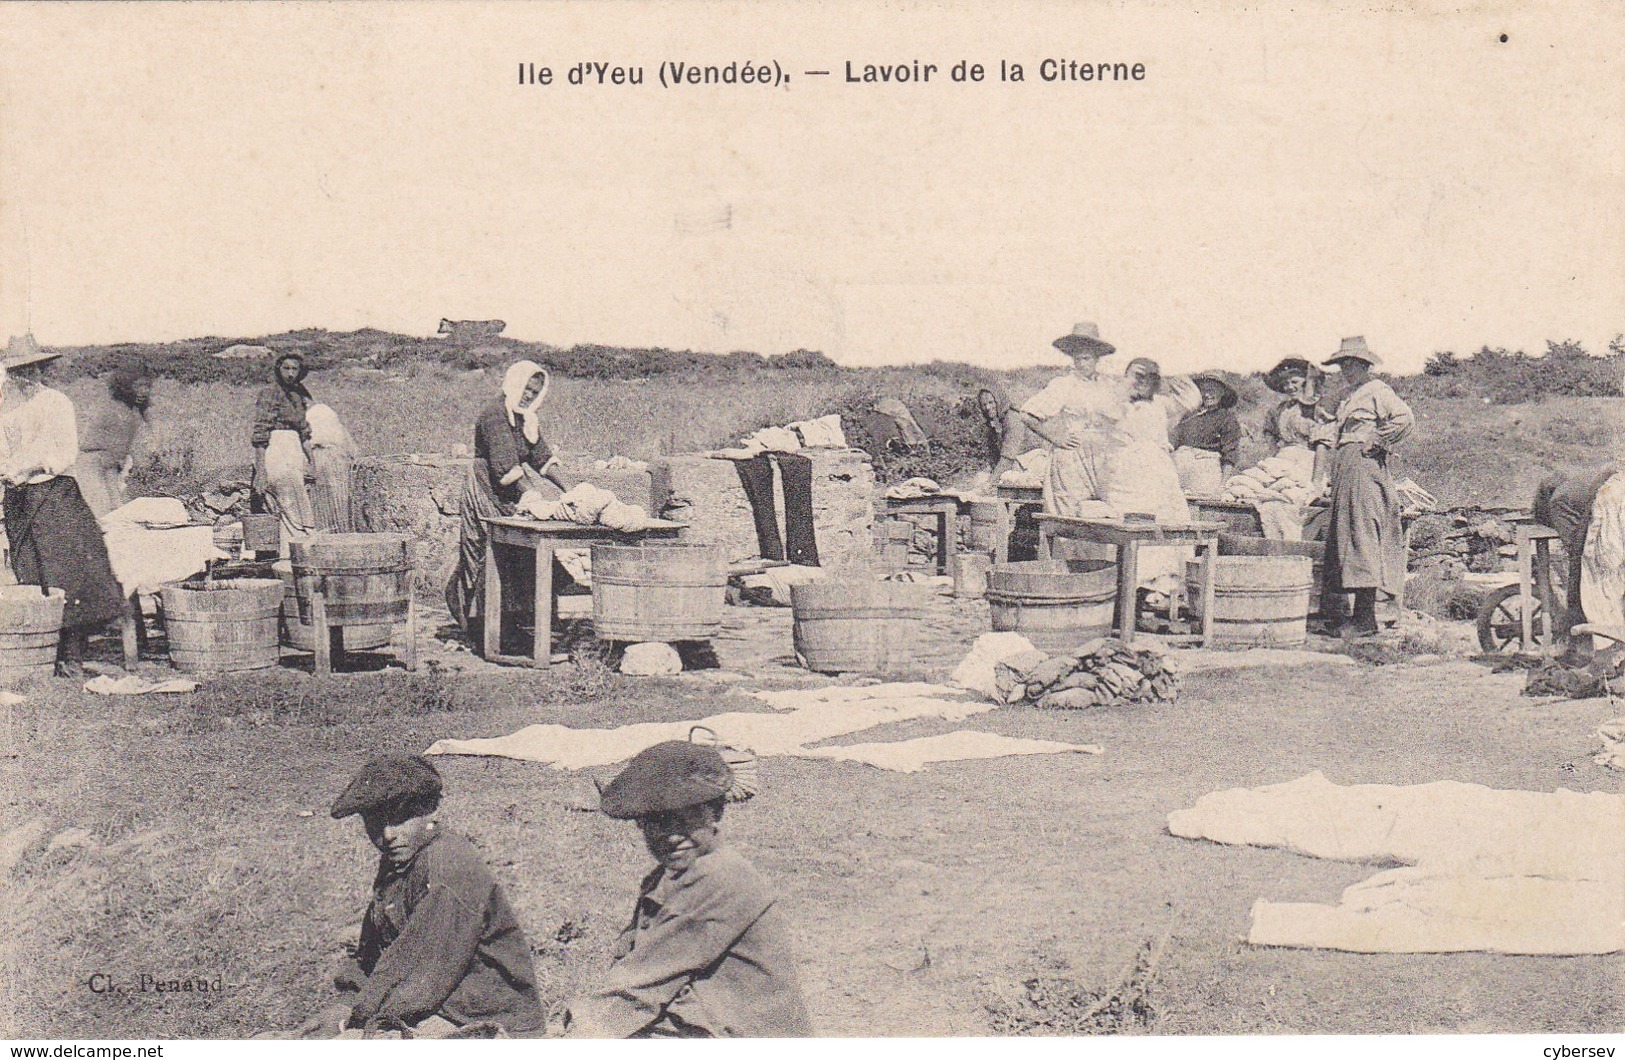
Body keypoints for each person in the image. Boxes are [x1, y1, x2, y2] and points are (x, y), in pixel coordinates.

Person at [561, 741, 813, 1039]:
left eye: (687, 818)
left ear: (715, 813)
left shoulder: (722, 877)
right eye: (657, 822)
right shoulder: (664, 879)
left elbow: (639, 988)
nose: (671, 836)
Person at [300, 753, 543, 1039]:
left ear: (430, 810)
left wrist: (354, 1020)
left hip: (484, 1019)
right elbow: (374, 950)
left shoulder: (448, 866)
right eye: (376, 823)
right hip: (435, 1004)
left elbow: (418, 971)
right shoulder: (402, 858)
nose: (388, 834)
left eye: (401, 818)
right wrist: (344, 1005)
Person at [0, 349, 127, 675]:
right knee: (30, 571)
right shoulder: (5, 405)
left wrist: (26, 468)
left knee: (66, 573)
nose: (24, 377)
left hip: (52, 494)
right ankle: (43, 653)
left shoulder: (55, 402)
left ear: (42, 368)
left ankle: (72, 656)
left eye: (30, 368)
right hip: (17, 498)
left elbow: (64, 451)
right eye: (16, 370)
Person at [445, 360, 566, 645]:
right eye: (526, 388)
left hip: (511, 489)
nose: (529, 395)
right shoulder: (495, 414)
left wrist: (571, 491)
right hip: (487, 487)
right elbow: (505, 466)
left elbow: (542, 458)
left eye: (535, 392)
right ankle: (477, 623)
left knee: (519, 554)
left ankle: (511, 623)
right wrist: (531, 497)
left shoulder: (526, 419)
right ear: (515, 382)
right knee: (489, 554)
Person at [1320, 336, 1415, 638]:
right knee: (1346, 534)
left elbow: (1405, 419)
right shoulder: (1350, 395)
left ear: (1365, 365)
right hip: (1346, 465)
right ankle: (1352, 614)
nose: (1347, 370)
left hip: (1363, 467)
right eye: (1343, 365)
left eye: (1352, 364)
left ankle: (1365, 619)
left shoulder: (1377, 391)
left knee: (1362, 532)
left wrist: (1377, 439)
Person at [1010, 322, 1130, 519]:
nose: (1082, 363)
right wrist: (1056, 437)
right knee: (1070, 517)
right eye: (1078, 358)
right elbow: (1027, 414)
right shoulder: (1064, 385)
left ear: (1097, 358)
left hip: (1102, 460)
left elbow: (1122, 421)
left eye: (1087, 358)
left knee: (1106, 516)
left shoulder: (1108, 386)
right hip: (1072, 460)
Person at [1104, 357, 1202, 585]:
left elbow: (1191, 398)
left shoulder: (1161, 404)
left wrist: (1165, 378)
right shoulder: (1115, 403)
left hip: (1159, 474)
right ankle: (1128, 586)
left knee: (1167, 523)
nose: (1140, 382)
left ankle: (1162, 588)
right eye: (1135, 376)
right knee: (1129, 525)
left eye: (1147, 377)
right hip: (1126, 475)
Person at [1532, 464, 1619, 650]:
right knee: (1586, 568)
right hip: (1602, 510)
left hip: (1602, 506)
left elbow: (1580, 549)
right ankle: (1581, 632)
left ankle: (1584, 632)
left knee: (1587, 570)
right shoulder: (1569, 494)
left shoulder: (1563, 499)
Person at [71, 364, 153, 519]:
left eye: (147, 386)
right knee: (103, 514)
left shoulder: (134, 409)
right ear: (126, 387)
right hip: (92, 464)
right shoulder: (113, 408)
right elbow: (94, 445)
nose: (144, 390)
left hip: (112, 466)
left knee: (119, 512)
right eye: (138, 386)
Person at [251, 351, 317, 538]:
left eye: (294, 369)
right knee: (282, 498)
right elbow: (260, 434)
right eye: (286, 368)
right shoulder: (269, 393)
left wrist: (312, 463)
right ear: (278, 369)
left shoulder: (299, 395)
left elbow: (304, 432)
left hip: (294, 449)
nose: (290, 373)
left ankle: (296, 549)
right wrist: (261, 470)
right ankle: (284, 552)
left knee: (298, 496)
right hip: (276, 448)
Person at [1261, 357, 1334, 484]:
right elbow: (1269, 432)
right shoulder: (1280, 410)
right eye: (1285, 383)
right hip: (1282, 459)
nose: (1289, 387)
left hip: (1306, 461)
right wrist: (1273, 456)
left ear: (1306, 382)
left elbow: (1322, 446)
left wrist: (1316, 481)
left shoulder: (1319, 409)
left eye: (1294, 382)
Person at [1171, 374, 1242, 481]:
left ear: (1222, 393)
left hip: (1206, 472)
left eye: (1212, 390)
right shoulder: (1188, 415)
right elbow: (1173, 442)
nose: (1207, 395)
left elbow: (1230, 454)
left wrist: (1223, 485)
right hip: (1180, 470)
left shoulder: (1227, 418)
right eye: (1203, 390)